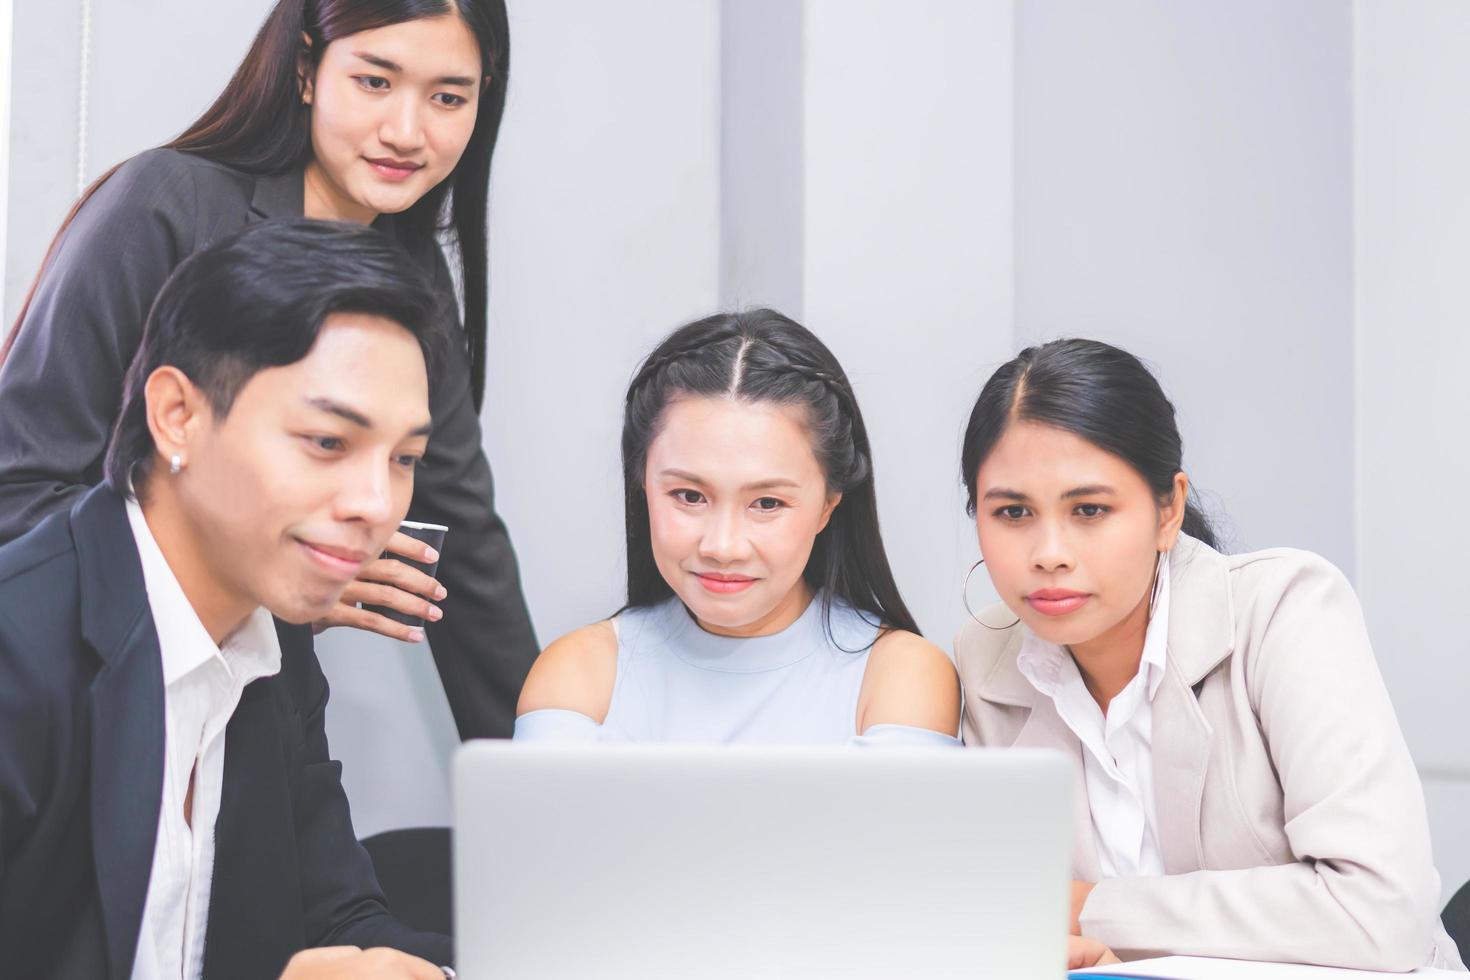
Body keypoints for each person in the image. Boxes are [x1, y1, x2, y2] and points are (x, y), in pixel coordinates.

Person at [0, 0, 534, 740]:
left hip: (255, 718)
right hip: (71, 707)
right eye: (375, 82)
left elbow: (464, 554)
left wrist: (541, 772)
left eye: (449, 96)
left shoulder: (413, 277)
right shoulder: (164, 206)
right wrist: (253, 576)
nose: (408, 132)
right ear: (307, 69)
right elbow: (14, 495)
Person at [0, 221, 454, 979]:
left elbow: (340, 918)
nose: (378, 502)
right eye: (327, 443)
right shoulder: (18, 654)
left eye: (406, 458)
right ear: (177, 414)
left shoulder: (274, 646)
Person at [953, 338, 1465, 971]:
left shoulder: (1285, 608)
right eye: (1012, 512)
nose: (1048, 551)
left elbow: (1380, 912)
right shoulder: (984, 659)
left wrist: (1090, 907)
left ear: (1168, 509)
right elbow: (1009, 912)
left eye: (1089, 509)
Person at [513, 309, 959, 746]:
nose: (722, 546)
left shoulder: (899, 676)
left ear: (828, 505)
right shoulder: (579, 673)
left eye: (767, 503)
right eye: (689, 496)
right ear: (642, 483)